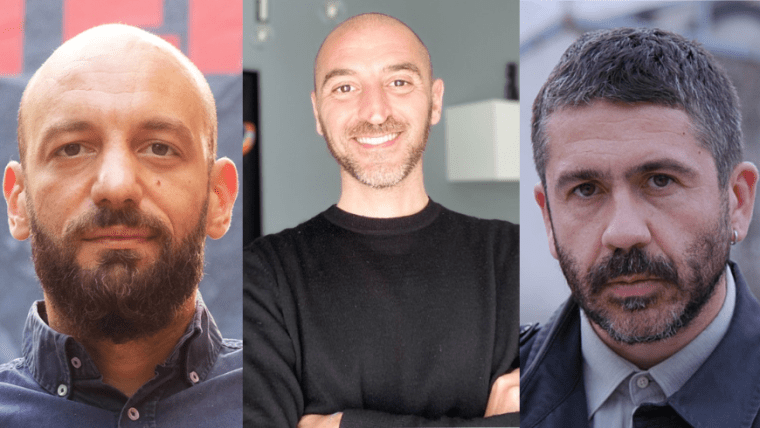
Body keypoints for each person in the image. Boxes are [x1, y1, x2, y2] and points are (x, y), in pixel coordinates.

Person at [244, 13, 520, 428]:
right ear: (318, 113)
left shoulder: (512, 255)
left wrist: (342, 424)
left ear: (436, 101)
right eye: (345, 87)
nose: (375, 112)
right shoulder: (264, 273)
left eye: (399, 82)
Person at [0, 24, 241, 427]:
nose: (116, 186)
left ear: (219, 198)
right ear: (18, 202)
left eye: (159, 147)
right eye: (72, 148)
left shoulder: (284, 403)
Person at [520, 27, 760, 427]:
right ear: (548, 217)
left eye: (660, 180)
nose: (624, 232)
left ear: (737, 201)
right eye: (585, 190)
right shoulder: (483, 396)